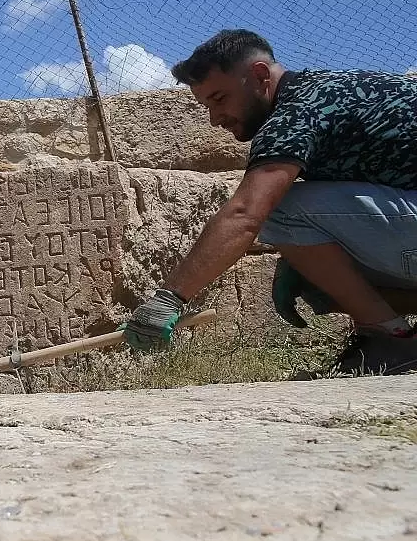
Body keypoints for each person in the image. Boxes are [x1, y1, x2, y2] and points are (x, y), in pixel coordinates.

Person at [123, 29, 417, 375]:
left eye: (220, 99)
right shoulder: (331, 92)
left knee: (279, 207)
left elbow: (246, 213)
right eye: (207, 106)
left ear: (261, 75)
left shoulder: (296, 114)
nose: (215, 119)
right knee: (316, 273)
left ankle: (394, 341)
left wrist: (170, 298)